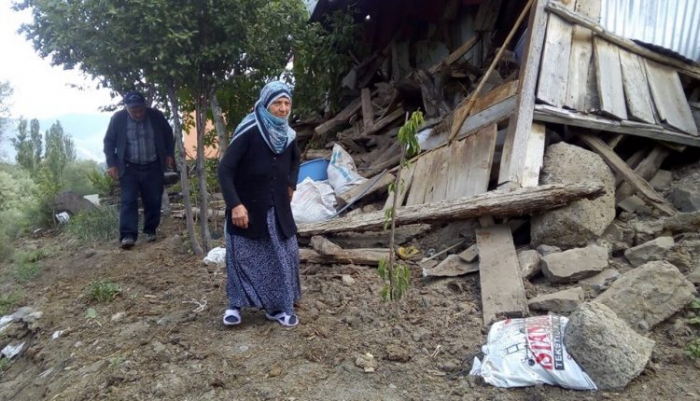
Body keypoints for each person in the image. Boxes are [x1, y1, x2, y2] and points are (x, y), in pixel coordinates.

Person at [217, 81, 301, 328]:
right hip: (248, 207)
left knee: (284, 256)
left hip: (277, 209)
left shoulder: (287, 134)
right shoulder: (250, 130)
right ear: (266, 104)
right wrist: (235, 205)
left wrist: (291, 183)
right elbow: (225, 169)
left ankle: (278, 308)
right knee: (243, 257)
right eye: (278, 103)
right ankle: (235, 306)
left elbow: (295, 158)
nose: (283, 108)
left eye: (287, 103)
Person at [103, 91, 175, 250]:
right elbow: (109, 142)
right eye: (134, 111)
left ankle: (150, 230)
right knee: (128, 200)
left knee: (153, 200)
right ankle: (128, 235)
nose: (138, 113)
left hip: (153, 165)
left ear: (145, 106)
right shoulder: (118, 119)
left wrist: (169, 153)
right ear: (127, 108)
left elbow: (169, 135)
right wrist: (111, 163)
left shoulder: (156, 116)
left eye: (141, 110)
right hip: (129, 167)